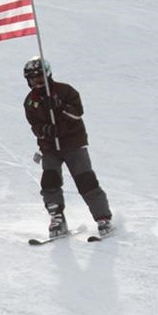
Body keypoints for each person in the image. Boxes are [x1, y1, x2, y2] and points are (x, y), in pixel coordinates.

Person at [22, 57, 113, 238]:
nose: (36, 83)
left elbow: (77, 113)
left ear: (48, 76)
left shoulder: (65, 91)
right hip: (50, 148)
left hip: (73, 145)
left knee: (85, 180)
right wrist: (46, 130)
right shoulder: (30, 102)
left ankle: (103, 218)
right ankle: (57, 218)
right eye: (32, 80)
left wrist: (59, 107)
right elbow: (35, 125)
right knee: (50, 181)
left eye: (39, 79)